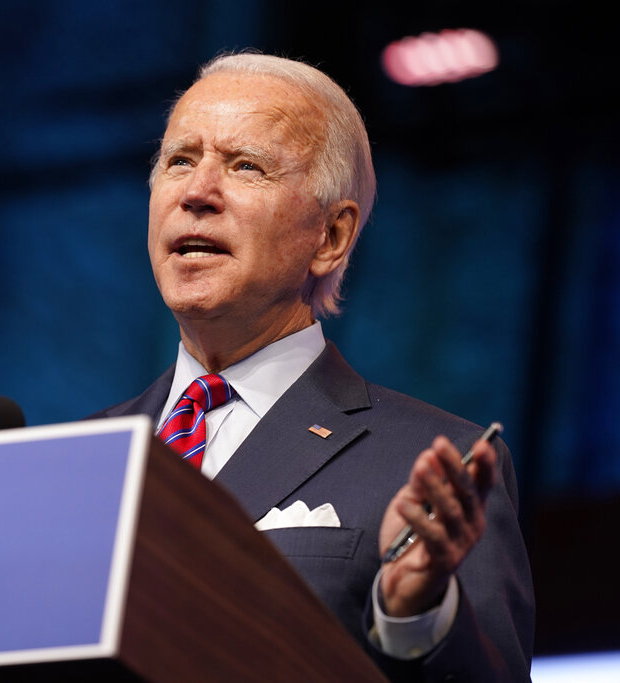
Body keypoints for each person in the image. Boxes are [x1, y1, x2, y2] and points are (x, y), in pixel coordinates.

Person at [93, 52, 535, 680]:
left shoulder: (431, 466)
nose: (196, 193)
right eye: (179, 161)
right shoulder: (83, 458)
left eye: (246, 166)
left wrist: (415, 616)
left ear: (330, 237)